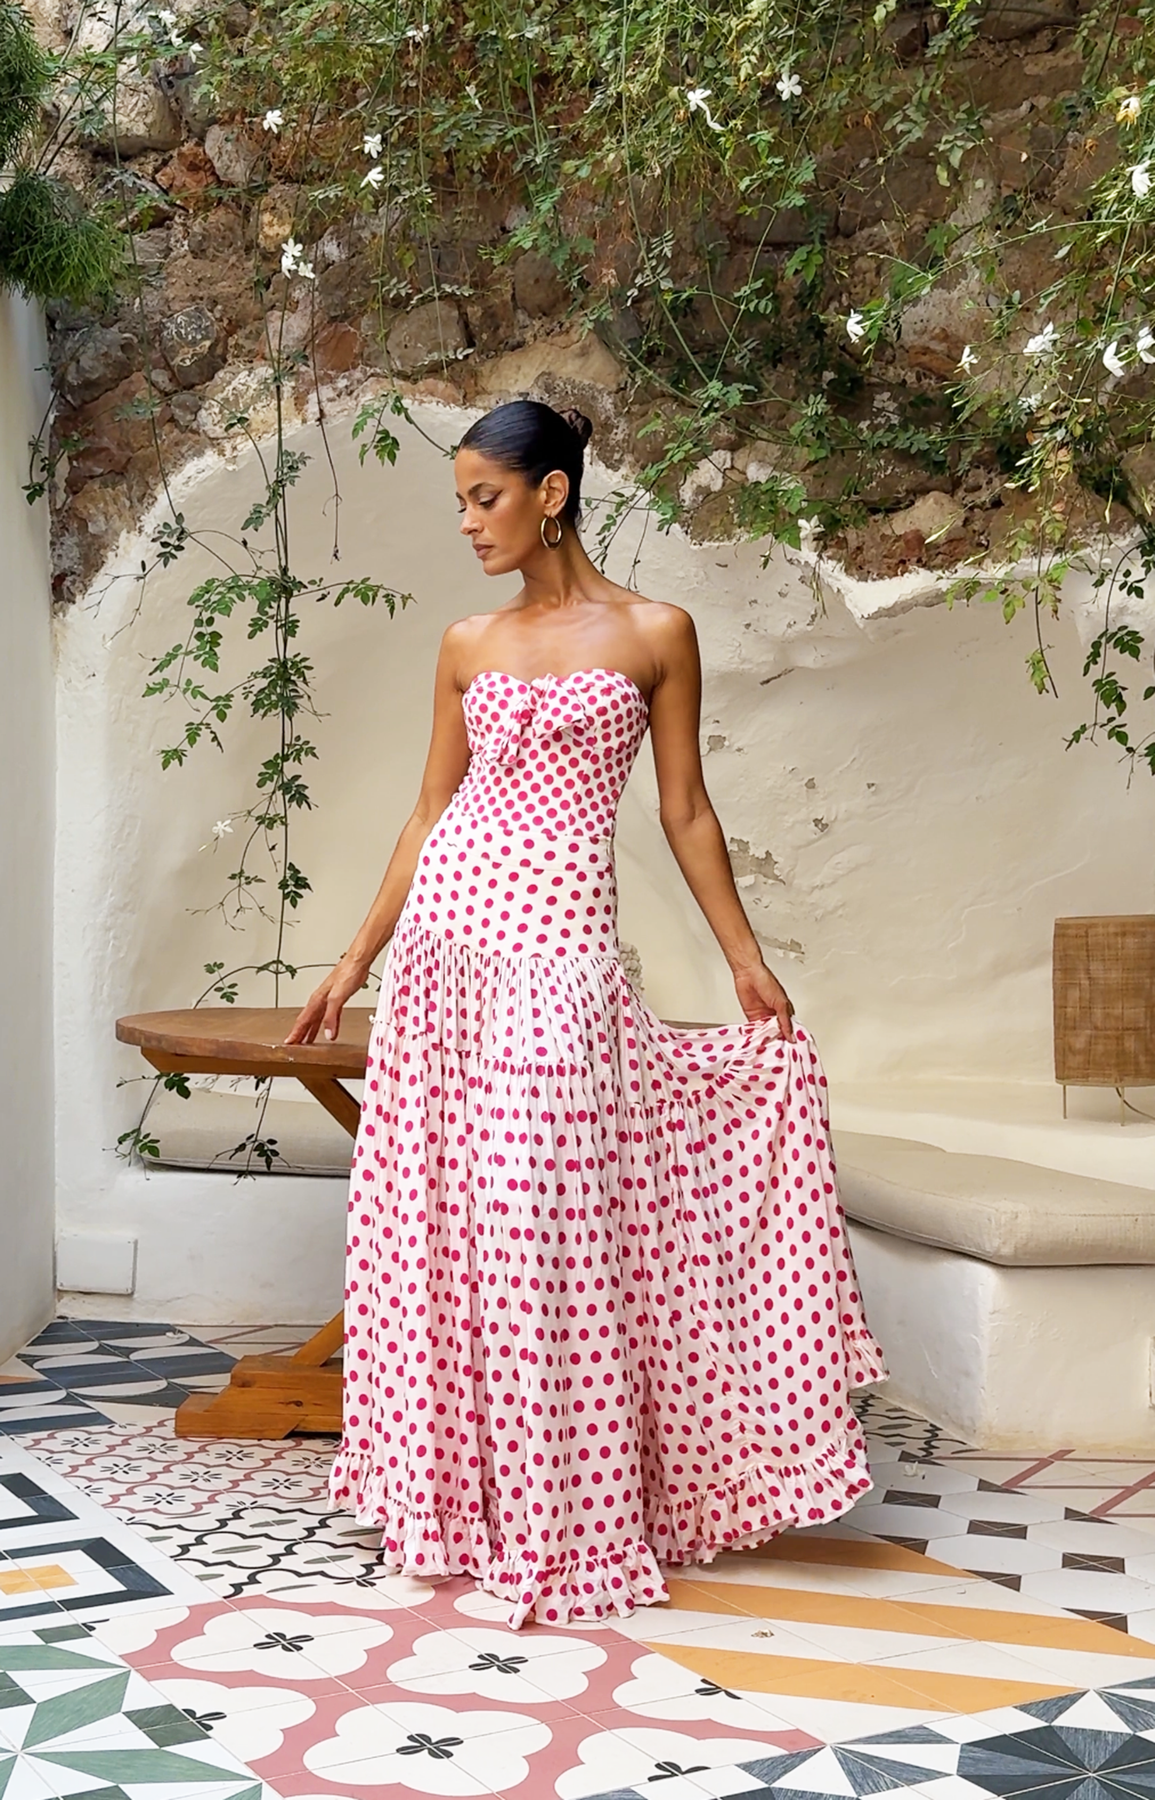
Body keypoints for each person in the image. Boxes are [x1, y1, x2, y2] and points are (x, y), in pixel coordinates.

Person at [286, 397, 886, 1629]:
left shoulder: (657, 632)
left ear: (551, 493)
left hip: (560, 953)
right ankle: (467, 1506)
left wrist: (745, 960)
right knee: (450, 1229)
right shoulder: (466, 642)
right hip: (447, 957)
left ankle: (572, 1518)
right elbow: (428, 813)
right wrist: (354, 961)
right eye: (461, 502)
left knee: (540, 1222)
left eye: (484, 498)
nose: (468, 523)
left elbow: (685, 809)